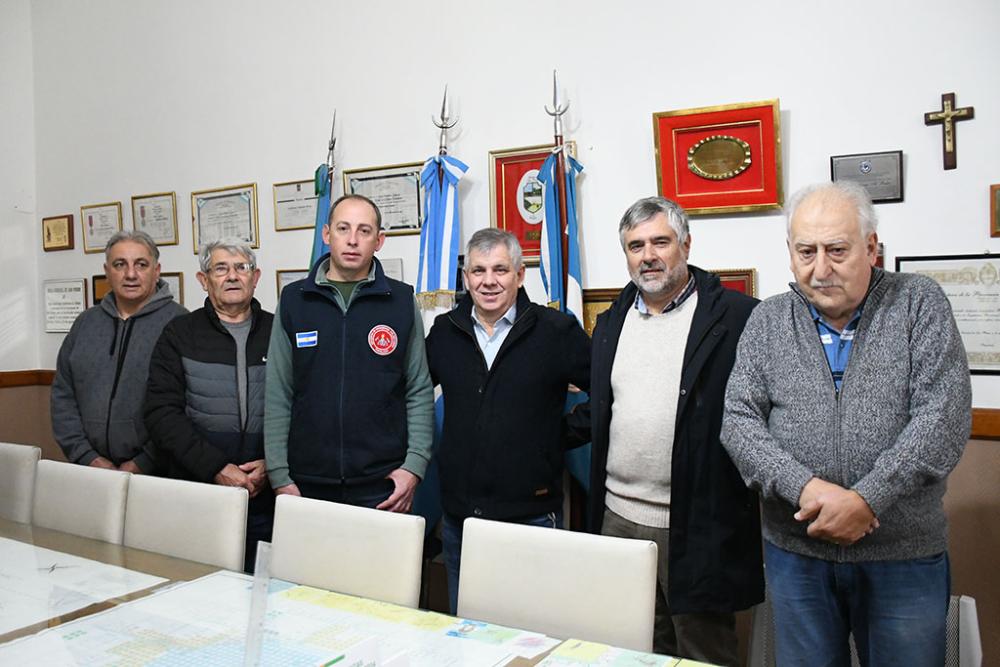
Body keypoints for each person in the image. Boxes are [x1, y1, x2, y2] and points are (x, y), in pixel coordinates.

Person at [722, 181, 972, 666]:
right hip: (797, 556)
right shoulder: (768, 320)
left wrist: (866, 500)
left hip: (901, 558)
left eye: (836, 250)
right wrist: (806, 488)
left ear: (871, 247)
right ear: (790, 254)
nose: (820, 269)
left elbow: (942, 417)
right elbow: (739, 422)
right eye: (806, 252)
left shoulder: (918, 303)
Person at [585, 196, 762, 665]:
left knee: (703, 653)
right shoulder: (611, 322)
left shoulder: (738, 317)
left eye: (660, 242)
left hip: (696, 524)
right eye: (635, 245)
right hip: (618, 518)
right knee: (636, 651)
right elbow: (601, 409)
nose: (648, 255)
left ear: (686, 244)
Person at [425, 228, 591, 613]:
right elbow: (411, 395)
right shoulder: (445, 332)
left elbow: (607, 394)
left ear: (519, 275)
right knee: (466, 628)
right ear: (466, 278)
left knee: (533, 629)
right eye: (478, 270)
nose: (489, 281)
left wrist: (558, 436)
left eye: (500, 270)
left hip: (531, 517)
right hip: (461, 521)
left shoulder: (556, 331)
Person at [264, 194, 433, 511]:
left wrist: (414, 466)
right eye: (343, 229)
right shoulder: (294, 300)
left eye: (364, 231)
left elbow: (418, 388)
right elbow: (278, 391)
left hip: (383, 483)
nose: (353, 240)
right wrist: (278, 474)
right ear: (327, 234)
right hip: (305, 482)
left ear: (379, 241)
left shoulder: (400, 300)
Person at [145, 240, 273, 572]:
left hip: (266, 497)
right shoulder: (179, 334)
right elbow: (161, 413)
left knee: (265, 589)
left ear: (255, 277)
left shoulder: (279, 332)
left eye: (241, 267)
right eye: (220, 268)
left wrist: (272, 464)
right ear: (204, 280)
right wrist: (216, 467)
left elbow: (299, 407)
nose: (232, 276)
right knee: (202, 587)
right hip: (199, 493)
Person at [51, 230, 186, 473]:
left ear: (157, 271)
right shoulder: (85, 323)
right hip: (90, 471)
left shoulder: (180, 324)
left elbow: (187, 405)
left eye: (141, 264)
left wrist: (143, 462)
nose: (130, 274)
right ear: (107, 271)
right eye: (120, 264)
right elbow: (63, 396)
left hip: (159, 474)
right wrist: (86, 456)